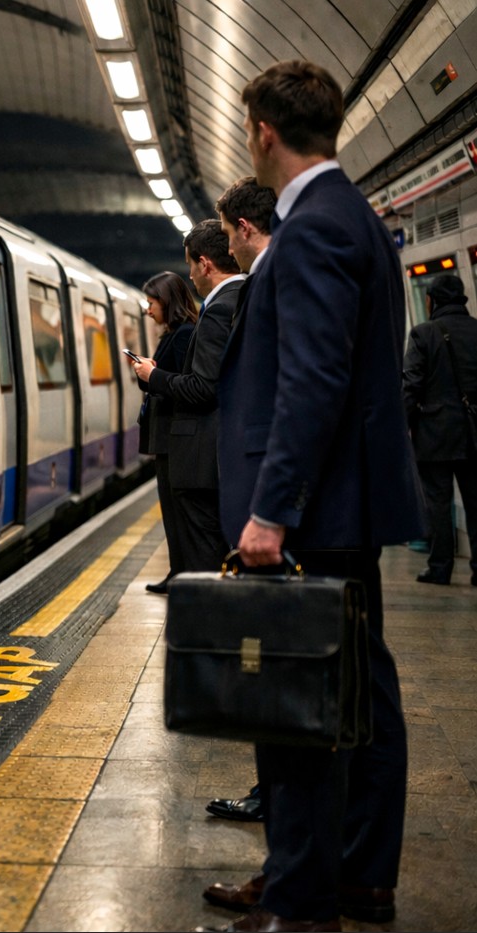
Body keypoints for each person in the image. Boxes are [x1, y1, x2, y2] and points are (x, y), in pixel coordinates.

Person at [204, 60, 424, 932]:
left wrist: (270, 510)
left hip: (315, 515)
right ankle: (354, 875)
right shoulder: (354, 219)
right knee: (359, 699)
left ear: (262, 131)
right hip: (346, 509)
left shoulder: (313, 230)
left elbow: (312, 381)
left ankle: (300, 900)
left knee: (295, 710)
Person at [202, 175, 277, 826]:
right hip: (263, 503)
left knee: (273, 661)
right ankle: (276, 803)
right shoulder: (263, 279)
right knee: (269, 662)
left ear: (245, 228)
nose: (228, 247)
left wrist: (269, 512)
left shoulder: (275, 276)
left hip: (275, 513)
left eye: (228, 233)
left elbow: (299, 396)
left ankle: (281, 810)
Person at [132, 220, 241, 579]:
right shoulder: (243, 298)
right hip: (222, 453)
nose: (190, 275)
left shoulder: (219, 309)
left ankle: (208, 629)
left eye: (191, 265)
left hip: (200, 457)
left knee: (203, 557)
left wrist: (154, 377)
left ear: (205, 263)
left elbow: (203, 388)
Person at [402, 273, 477, 585]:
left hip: (434, 436)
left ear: (430, 300)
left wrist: (403, 427)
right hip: (473, 433)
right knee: (476, 502)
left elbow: (410, 387)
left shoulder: (423, 334)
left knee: (438, 503)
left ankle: (440, 567)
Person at [137, 271, 197, 594]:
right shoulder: (173, 334)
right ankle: (177, 571)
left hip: (175, 435)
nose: (148, 309)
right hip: (165, 434)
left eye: (151, 302)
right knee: (170, 510)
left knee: (176, 510)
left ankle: (182, 574)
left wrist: (153, 373)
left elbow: (181, 383)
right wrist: (146, 371)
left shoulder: (185, 334)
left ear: (166, 300)